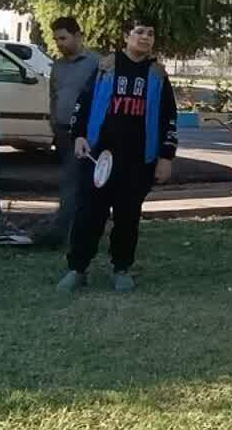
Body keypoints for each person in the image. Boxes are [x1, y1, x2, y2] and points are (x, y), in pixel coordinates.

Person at [57, 17, 179, 293]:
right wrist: (79, 136)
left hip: (138, 161)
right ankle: (78, 269)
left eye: (150, 33)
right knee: (89, 215)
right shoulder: (106, 67)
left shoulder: (158, 75)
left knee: (128, 217)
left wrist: (166, 157)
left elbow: (169, 118)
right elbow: (83, 103)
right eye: (139, 32)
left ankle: (121, 268)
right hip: (98, 158)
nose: (145, 37)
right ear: (126, 36)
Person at [35, 16, 98, 249]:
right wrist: (53, 123)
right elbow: (54, 96)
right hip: (62, 131)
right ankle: (72, 230)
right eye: (56, 39)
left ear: (78, 36)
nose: (59, 43)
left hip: (86, 134)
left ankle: (61, 233)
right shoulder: (58, 66)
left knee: (74, 181)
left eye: (63, 38)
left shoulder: (96, 64)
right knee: (71, 180)